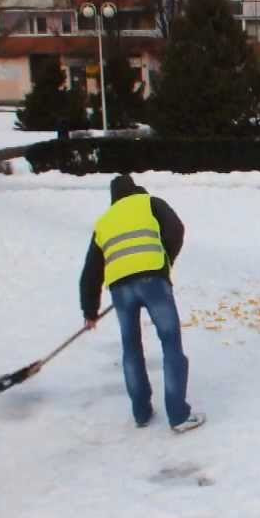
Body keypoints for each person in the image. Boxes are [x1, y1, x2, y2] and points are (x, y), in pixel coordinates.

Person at [79, 174, 204, 433]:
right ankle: (178, 415)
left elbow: (91, 270)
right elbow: (176, 229)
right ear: (135, 189)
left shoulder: (104, 222)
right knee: (171, 343)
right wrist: (164, 261)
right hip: (153, 281)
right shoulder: (149, 203)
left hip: (120, 290)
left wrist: (89, 310)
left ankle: (141, 412)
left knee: (131, 348)